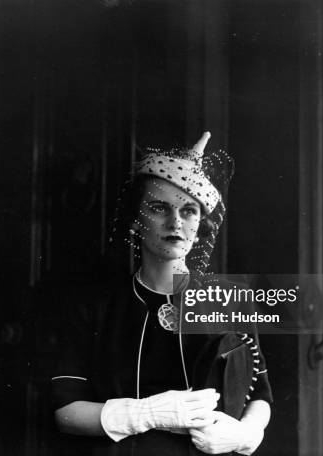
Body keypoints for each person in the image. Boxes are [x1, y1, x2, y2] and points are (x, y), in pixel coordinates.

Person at [51, 132, 272, 455]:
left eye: (188, 211)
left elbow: (259, 396)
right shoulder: (93, 306)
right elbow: (66, 412)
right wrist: (148, 413)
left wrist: (246, 435)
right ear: (136, 221)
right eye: (159, 208)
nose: (175, 222)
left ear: (200, 227)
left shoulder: (230, 300)